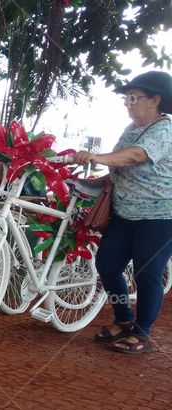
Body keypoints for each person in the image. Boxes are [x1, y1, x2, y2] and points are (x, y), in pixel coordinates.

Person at [74, 71, 172, 354]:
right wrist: (95, 178)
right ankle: (124, 318)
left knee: (147, 273)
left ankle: (141, 333)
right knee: (107, 265)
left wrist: (96, 156)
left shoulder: (164, 130)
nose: (128, 103)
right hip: (124, 214)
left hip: (159, 218)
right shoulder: (131, 129)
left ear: (155, 100)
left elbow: (135, 156)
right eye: (126, 98)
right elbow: (120, 166)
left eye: (134, 98)